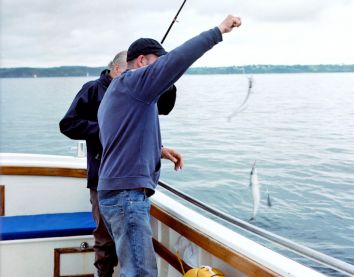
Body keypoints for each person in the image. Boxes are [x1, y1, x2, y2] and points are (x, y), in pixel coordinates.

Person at [97, 15, 241, 276]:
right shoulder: (134, 82)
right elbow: (178, 59)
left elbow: (120, 140)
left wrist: (158, 151)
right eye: (156, 63)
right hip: (126, 196)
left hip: (115, 192)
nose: (160, 70)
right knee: (141, 273)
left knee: (133, 270)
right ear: (141, 61)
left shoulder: (118, 90)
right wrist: (218, 31)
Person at [59, 51, 177, 277]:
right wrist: (106, 129)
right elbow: (68, 124)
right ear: (115, 69)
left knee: (130, 248)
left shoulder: (136, 90)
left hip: (132, 182)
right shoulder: (93, 90)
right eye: (127, 74)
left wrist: (159, 151)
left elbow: (165, 106)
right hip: (103, 177)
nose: (132, 78)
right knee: (105, 242)